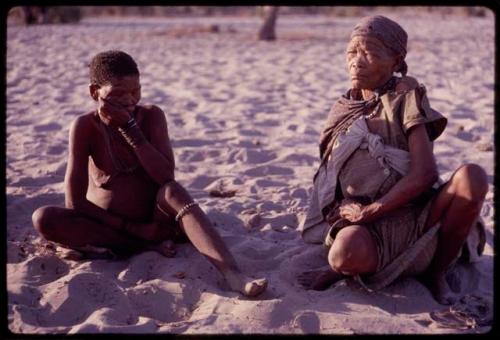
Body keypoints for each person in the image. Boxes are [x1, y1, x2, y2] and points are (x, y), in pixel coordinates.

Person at [32, 50, 267, 297]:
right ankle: (144, 245)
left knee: (173, 192)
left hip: (156, 219)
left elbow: (166, 177)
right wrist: (134, 230)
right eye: (119, 93)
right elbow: (75, 202)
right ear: (95, 92)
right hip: (112, 227)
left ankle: (233, 274)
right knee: (44, 218)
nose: (130, 100)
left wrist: (131, 131)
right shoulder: (84, 127)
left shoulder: (151, 116)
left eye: (136, 91)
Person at [297, 15, 487, 305]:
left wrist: (371, 209)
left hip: (420, 218)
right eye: (351, 52)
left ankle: (436, 272)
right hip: (371, 230)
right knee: (343, 254)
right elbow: (328, 176)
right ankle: (342, 270)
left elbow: (425, 174)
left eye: (370, 53)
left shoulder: (405, 96)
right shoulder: (343, 108)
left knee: (472, 177)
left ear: (396, 61)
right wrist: (344, 206)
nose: (356, 61)